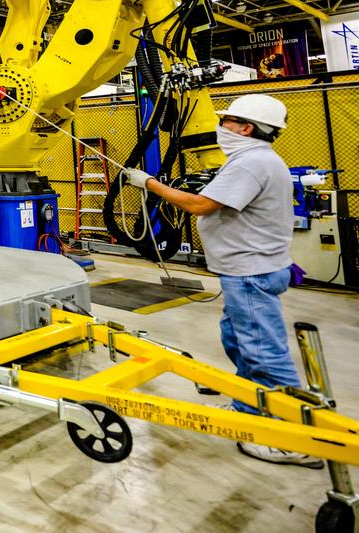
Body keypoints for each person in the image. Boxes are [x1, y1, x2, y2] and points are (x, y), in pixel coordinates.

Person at [122, 93, 320, 469]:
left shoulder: (250, 164)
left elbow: (199, 205)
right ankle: (249, 403)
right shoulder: (256, 160)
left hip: (250, 272)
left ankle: (291, 436)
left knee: (262, 352)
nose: (221, 126)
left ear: (245, 128)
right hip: (251, 267)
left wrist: (148, 183)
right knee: (238, 339)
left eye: (227, 120)